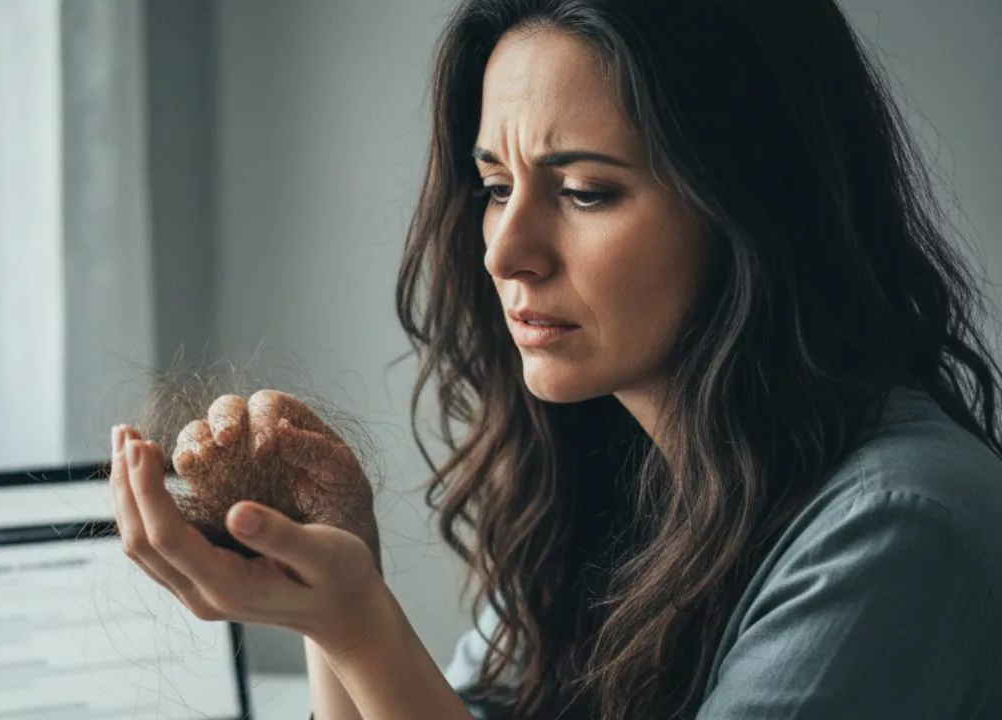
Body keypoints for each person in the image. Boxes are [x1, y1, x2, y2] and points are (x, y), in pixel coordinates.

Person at [108, 0, 1002, 717]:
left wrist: (359, 627)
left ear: (758, 207)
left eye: (584, 191)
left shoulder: (898, 529)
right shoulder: (621, 484)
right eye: (496, 188)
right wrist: (330, 581)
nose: (505, 252)